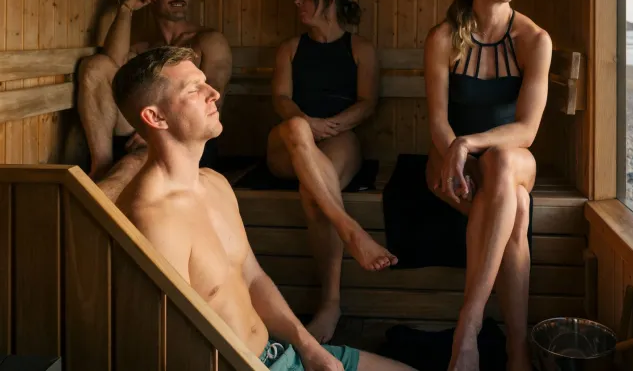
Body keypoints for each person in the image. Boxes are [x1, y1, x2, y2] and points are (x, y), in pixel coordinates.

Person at [112, 46, 413, 371]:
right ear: (155, 117)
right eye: (193, 90)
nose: (213, 93)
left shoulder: (215, 184)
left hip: (278, 353)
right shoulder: (152, 221)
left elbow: (253, 278)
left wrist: (309, 349)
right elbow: (176, 349)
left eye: (206, 82)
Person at [423, 0, 552, 371]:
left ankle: (469, 325)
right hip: (450, 162)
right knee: (514, 206)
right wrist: (455, 152)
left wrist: (470, 142)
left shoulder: (534, 39)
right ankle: (518, 352)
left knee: (501, 164)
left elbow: (528, 130)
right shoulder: (443, 38)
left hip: (513, 157)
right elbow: (439, 121)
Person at [266, 0, 397, 344]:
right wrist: (308, 123)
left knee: (313, 191)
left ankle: (330, 303)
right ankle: (350, 230)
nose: (298, 4)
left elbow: (368, 102)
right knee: (294, 130)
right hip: (290, 140)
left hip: (341, 135)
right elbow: (281, 99)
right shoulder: (290, 48)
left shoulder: (361, 48)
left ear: (331, 0)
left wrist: (332, 125)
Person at [77, 0, 232, 202]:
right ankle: (100, 164)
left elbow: (215, 95)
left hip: (188, 134)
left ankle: (88, 208)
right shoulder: (145, 48)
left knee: (132, 165)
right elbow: (111, 68)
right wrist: (126, 9)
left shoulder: (209, 40)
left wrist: (158, 133)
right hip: (143, 126)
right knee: (95, 65)